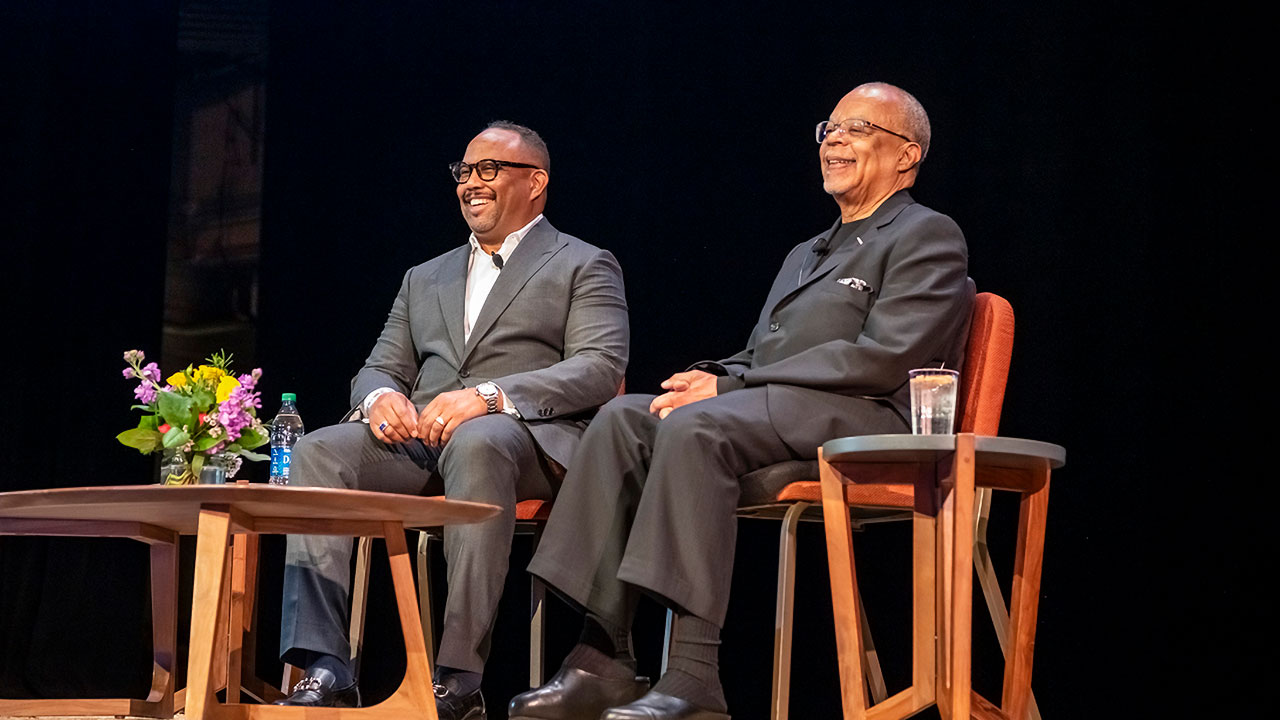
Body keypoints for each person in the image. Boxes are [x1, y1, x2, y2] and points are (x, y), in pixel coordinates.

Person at [510, 83, 973, 720]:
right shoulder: (806, 252)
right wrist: (711, 375)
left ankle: (696, 674)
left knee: (699, 429)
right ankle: (603, 658)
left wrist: (729, 389)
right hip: (779, 409)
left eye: (858, 128)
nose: (833, 139)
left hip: (868, 415)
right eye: (829, 128)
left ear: (906, 156)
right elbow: (761, 357)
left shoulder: (927, 234)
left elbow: (885, 357)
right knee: (625, 418)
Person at [275, 121, 629, 720]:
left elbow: (599, 367)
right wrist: (381, 398)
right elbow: (378, 366)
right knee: (317, 452)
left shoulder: (583, 263)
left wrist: (490, 396)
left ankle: (458, 676)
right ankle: (325, 665)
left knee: (480, 440)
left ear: (536, 182)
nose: (471, 183)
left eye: (489, 169)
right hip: (424, 443)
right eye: (464, 172)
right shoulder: (425, 276)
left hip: (525, 441)